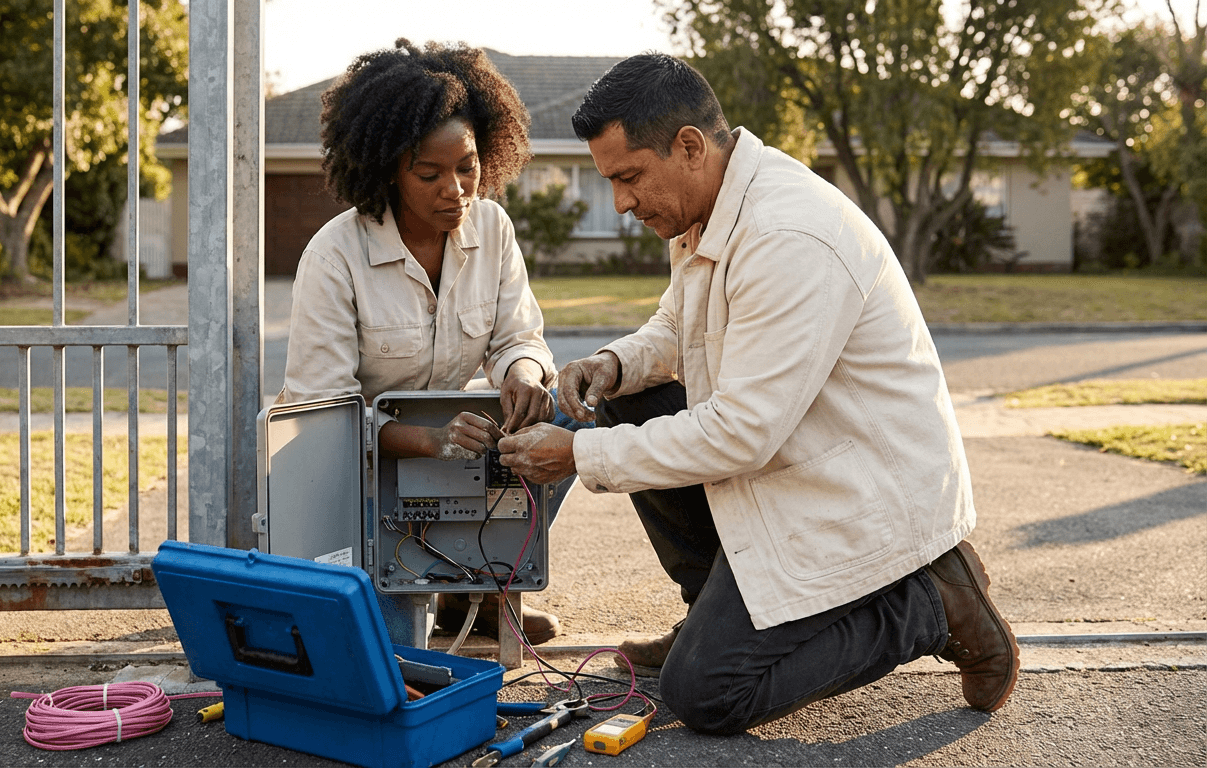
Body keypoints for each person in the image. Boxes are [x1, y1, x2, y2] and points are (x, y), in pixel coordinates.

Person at [497, 53, 1020, 732]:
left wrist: (579, 454)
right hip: (794, 465)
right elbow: (681, 327)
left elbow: (741, 433)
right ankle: (709, 610)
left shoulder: (786, 236)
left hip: (856, 497)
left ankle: (929, 604)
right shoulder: (708, 208)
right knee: (623, 399)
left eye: (628, 178)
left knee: (707, 694)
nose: (621, 203)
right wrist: (615, 363)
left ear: (689, 146)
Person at [277, 39, 563, 644]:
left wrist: (523, 374)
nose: (455, 190)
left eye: (467, 166)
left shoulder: (493, 226)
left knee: (570, 420)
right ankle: (423, 593)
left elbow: (519, 335)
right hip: (365, 471)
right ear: (387, 170)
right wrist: (430, 440)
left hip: (455, 452)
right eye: (429, 174)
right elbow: (323, 417)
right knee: (393, 657)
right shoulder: (335, 255)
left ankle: (484, 592)